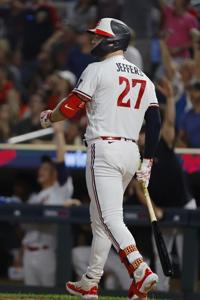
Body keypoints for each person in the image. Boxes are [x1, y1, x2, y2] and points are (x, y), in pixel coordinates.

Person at [40, 18, 161, 300]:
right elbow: (154, 122)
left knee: (108, 218)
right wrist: (148, 161)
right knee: (101, 220)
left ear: (113, 40)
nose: (93, 40)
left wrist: (50, 117)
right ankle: (90, 281)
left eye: (99, 36)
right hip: (131, 153)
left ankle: (140, 269)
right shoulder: (144, 77)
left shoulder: (97, 69)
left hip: (104, 149)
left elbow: (70, 107)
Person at [21, 122, 80, 287]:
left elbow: (61, 160)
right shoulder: (34, 198)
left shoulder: (60, 189)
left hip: (47, 253)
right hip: (28, 253)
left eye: (45, 169)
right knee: (28, 297)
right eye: (40, 168)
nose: (41, 171)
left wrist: (59, 134)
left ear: (54, 174)